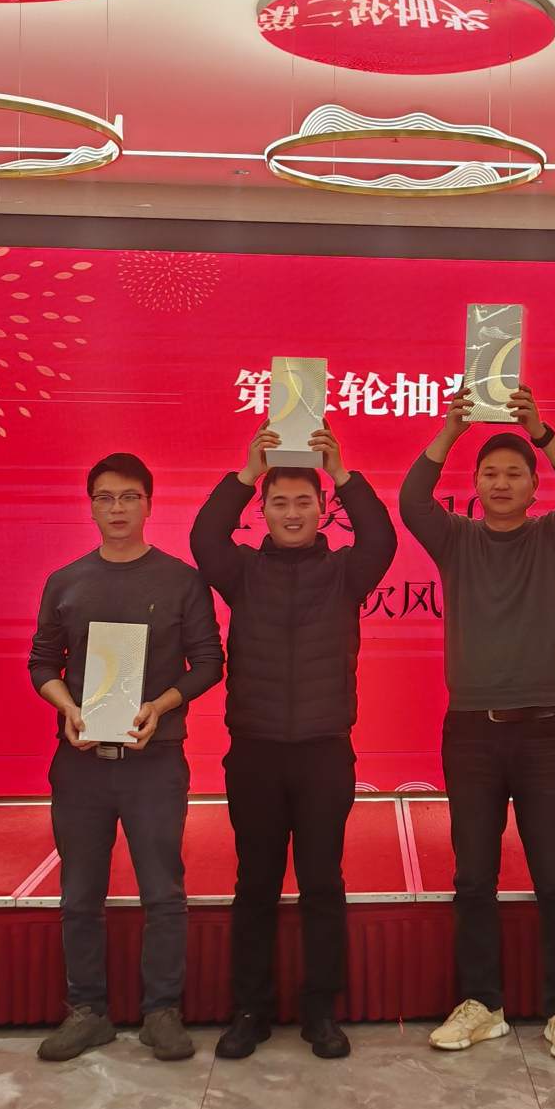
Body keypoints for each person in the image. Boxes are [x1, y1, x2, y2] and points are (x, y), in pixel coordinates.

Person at [401, 386, 555, 1060]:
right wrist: (451, 430)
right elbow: (412, 501)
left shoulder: (552, 537)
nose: (503, 482)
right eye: (490, 473)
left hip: (544, 729)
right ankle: (482, 1004)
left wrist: (541, 431)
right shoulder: (456, 540)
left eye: (515, 473)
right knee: (474, 876)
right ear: (477, 484)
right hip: (471, 731)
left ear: (534, 486)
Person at [191, 420, 396, 1061]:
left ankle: (320, 1011)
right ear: (263, 509)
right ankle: (249, 1011)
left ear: (322, 508)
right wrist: (246, 472)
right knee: (255, 883)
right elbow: (204, 538)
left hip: (323, 751)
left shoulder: (345, 573)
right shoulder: (241, 572)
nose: (291, 512)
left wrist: (344, 473)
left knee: (321, 882)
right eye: (278, 501)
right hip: (253, 751)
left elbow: (382, 538)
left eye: (303, 501)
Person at [30, 454, 222, 1064]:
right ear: (91, 505)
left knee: (163, 891)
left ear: (148, 504)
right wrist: (68, 707)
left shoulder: (181, 580)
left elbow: (209, 662)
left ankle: (162, 1011)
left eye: (129, 497)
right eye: (105, 497)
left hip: (154, 760)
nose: (117, 508)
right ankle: (86, 1011)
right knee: (79, 895)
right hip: (81, 761)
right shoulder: (66, 581)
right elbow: (42, 662)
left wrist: (159, 706)